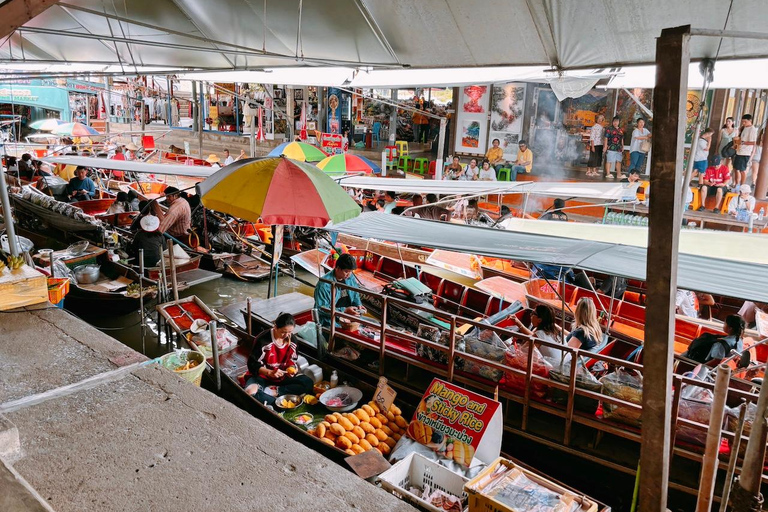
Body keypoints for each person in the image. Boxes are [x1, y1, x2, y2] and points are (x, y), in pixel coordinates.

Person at [243, 313, 314, 406]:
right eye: (283, 332)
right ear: (275, 327)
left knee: (308, 383)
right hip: (263, 376)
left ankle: (275, 392)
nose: (287, 335)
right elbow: (252, 364)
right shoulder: (263, 340)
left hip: (282, 376)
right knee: (250, 392)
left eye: (290, 332)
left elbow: (292, 360)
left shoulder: (292, 340)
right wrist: (269, 372)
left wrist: (292, 368)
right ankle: (273, 399)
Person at [314, 253, 366, 328]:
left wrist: (358, 305)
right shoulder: (324, 284)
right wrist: (344, 311)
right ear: (337, 268)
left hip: (349, 315)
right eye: (346, 271)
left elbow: (355, 295)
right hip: (331, 319)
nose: (349, 274)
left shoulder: (350, 278)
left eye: (351, 271)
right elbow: (321, 308)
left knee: (371, 326)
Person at [734, 114, 758, 187]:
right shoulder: (744, 128)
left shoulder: (752, 129)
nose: (743, 123)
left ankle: (742, 185)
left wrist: (743, 142)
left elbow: (753, 142)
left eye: (745, 122)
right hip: (739, 151)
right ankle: (737, 184)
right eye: (743, 122)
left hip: (745, 153)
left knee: (742, 170)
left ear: (750, 121)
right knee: (736, 168)